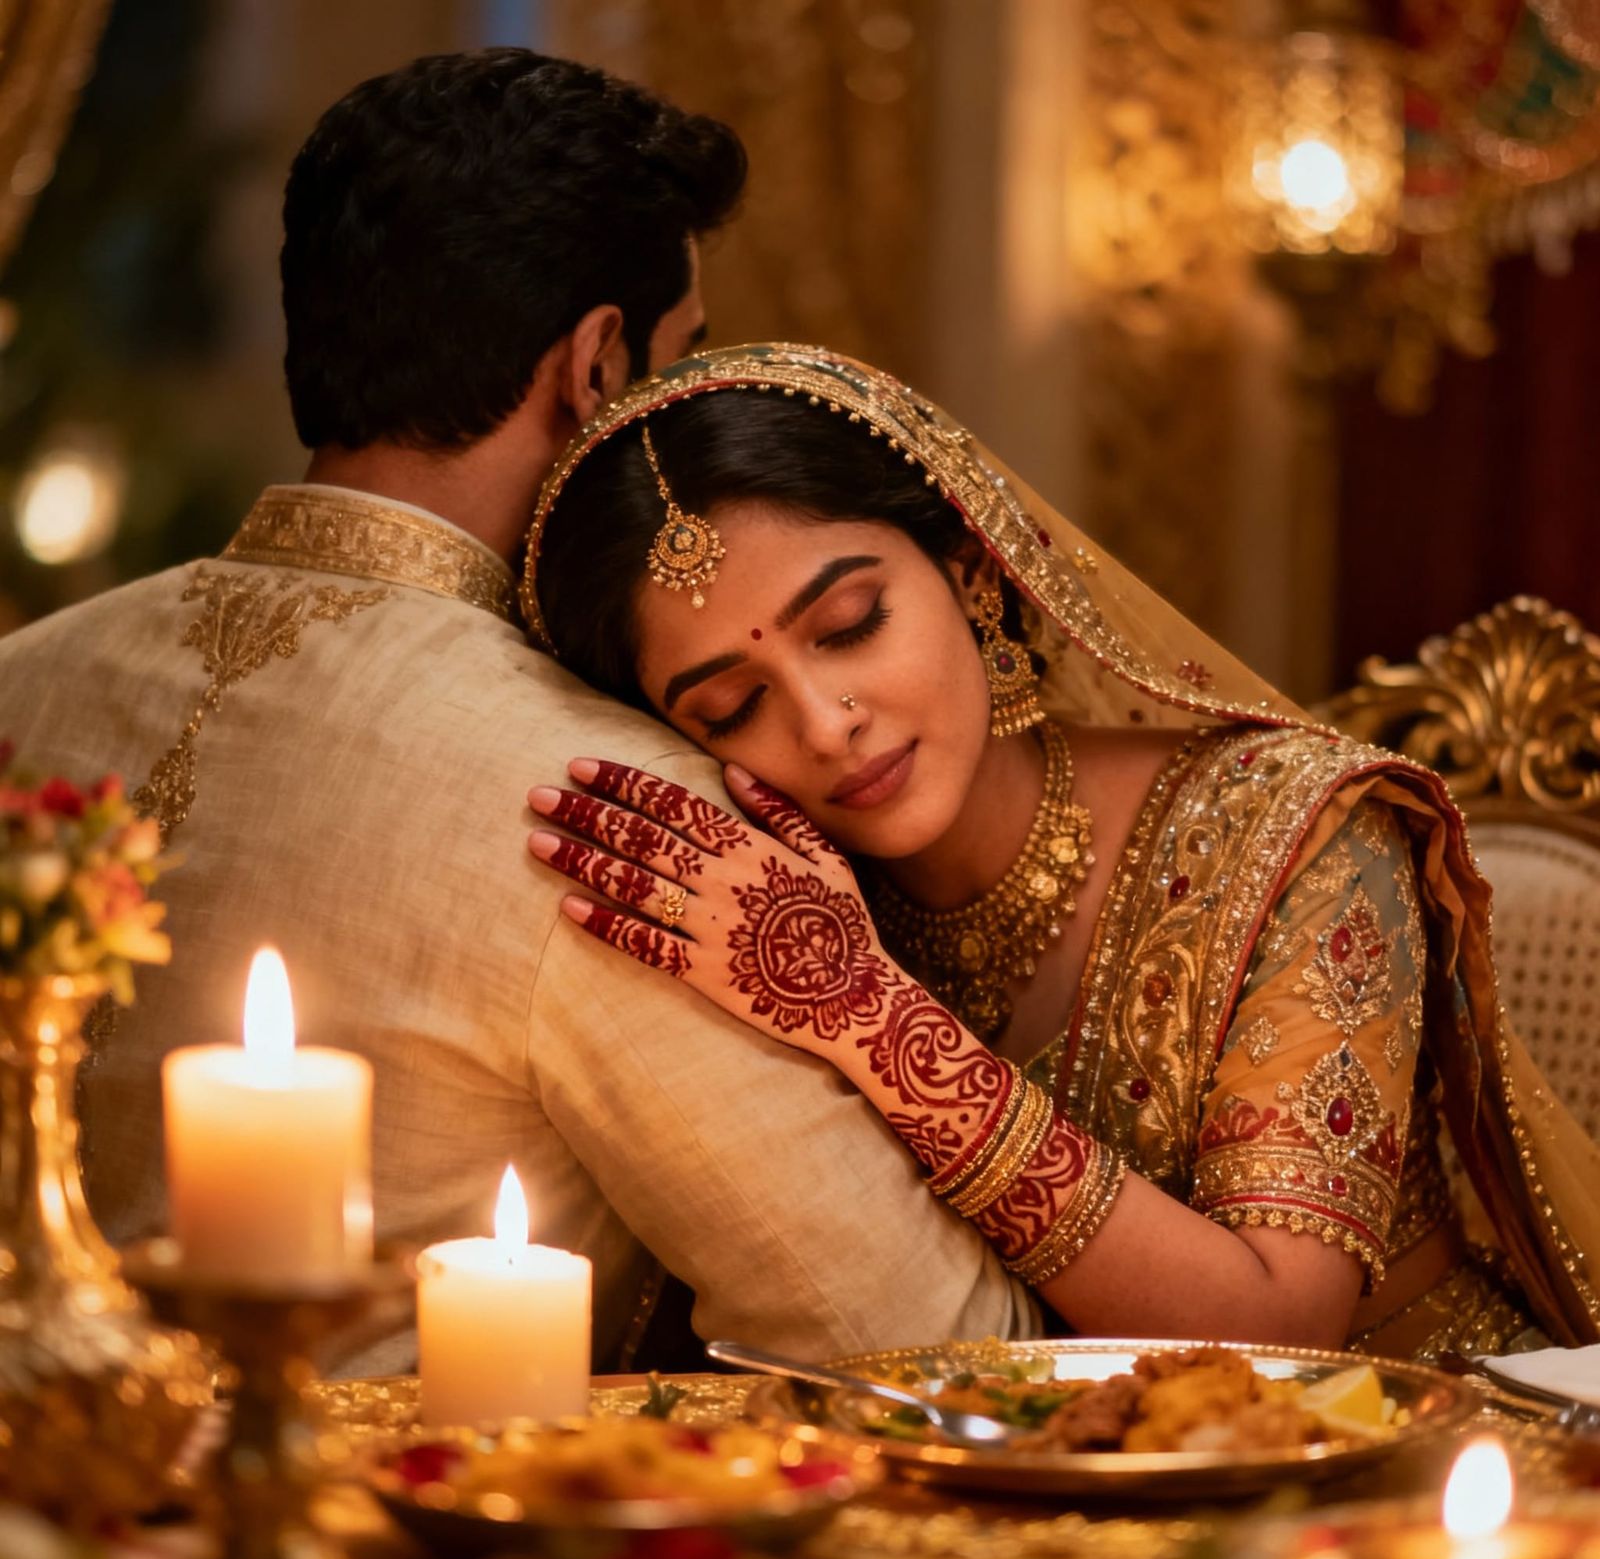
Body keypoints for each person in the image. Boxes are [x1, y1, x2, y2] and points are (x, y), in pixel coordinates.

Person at [0, 59, 1038, 1371]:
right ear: (600, 366)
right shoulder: (611, 815)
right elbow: (910, 1344)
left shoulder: (25, 679)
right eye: (688, 358)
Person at [524, 342, 1600, 1358]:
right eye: (731, 705)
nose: (822, 722)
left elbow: (1277, 1330)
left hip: (1411, 1469)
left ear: (970, 570)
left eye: (851, 623)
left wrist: (866, 1015)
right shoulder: (763, 906)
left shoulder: (1294, 828)